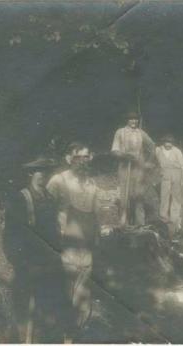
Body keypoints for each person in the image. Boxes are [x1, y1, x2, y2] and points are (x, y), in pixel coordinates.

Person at [3, 156, 63, 343]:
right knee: (23, 311)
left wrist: (57, 256)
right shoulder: (21, 199)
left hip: (48, 264)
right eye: (39, 171)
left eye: (46, 172)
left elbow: (54, 233)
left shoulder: (50, 199)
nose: (43, 176)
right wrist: (21, 262)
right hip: (27, 264)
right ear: (31, 174)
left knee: (46, 310)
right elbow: (10, 235)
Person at [46, 142, 101, 342]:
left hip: (86, 247)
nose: (83, 162)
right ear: (69, 158)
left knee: (83, 295)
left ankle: (77, 334)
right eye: (79, 157)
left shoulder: (92, 185)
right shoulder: (58, 181)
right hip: (64, 245)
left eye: (86, 157)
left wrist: (97, 237)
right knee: (64, 292)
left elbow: (96, 215)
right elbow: (44, 209)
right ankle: (63, 335)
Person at [111, 111, 156, 226]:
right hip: (125, 168)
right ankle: (124, 223)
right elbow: (114, 150)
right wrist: (124, 155)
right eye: (131, 119)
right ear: (127, 120)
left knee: (138, 196)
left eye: (136, 119)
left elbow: (152, 146)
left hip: (138, 169)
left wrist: (148, 162)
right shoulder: (120, 132)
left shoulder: (141, 133)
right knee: (125, 196)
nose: (134, 121)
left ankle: (139, 224)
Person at [155, 134, 183, 236]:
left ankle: (174, 219)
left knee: (176, 198)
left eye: (171, 143)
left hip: (177, 173)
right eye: (167, 142)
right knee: (164, 196)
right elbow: (154, 160)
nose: (169, 144)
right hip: (165, 175)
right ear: (163, 142)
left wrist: (181, 179)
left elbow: (182, 167)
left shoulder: (177, 151)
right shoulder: (158, 150)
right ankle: (163, 218)